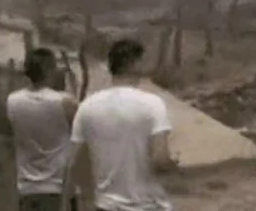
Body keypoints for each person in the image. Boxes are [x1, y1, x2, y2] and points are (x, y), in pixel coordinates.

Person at [61, 39, 177, 211]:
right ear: (135, 64)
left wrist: (67, 202)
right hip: (147, 205)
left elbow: (72, 163)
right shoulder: (153, 104)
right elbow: (160, 161)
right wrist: (171, 165)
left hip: (106, 205)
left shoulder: (87, 107)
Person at [6, 48, 83, 211]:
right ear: (49, 70)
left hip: (27, 187)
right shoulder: (65, 102)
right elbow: (80, 137)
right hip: (58, 187)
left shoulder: (12, 101)